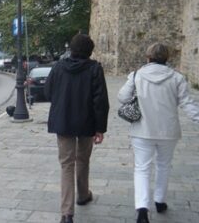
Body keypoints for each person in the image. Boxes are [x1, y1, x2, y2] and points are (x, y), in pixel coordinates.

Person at [118, 42, 199, 223]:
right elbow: (187, 103)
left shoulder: (137, 75)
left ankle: (142, 209)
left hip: (142, 130)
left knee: (142, 168)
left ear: (148, 57)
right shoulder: (177, 78)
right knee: (164, 165)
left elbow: (122, 97)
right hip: (168, 131)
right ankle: (160, 201)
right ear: (167, 58)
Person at [44, 34, 109, 223]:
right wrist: (100, 128)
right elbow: (101, 102)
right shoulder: (95, 69)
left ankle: (66, 213)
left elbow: (48, 92)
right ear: (90, 51)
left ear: (71, 49)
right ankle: (82, 195)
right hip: (87, 121)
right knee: (83, 160)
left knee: (66, 165)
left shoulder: (58, 68)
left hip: (63, 121)